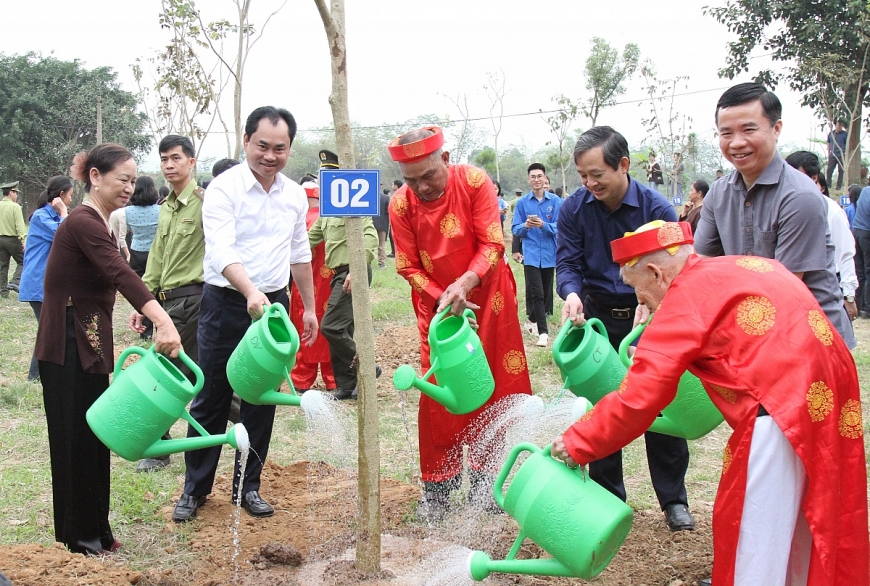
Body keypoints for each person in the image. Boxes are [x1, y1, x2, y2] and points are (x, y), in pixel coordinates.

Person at [552, 220, 869, 586]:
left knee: (753, 529)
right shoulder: (737, 266)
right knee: (806, 515)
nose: (641, 302)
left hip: (779, 410)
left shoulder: (682, 301)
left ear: (656, 273)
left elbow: (638, 399)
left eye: (637, 290)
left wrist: (578, 441)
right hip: (828, 390)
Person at [35, 144, 182, 555]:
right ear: (95, 177)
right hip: (66, 343)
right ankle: (78, 536)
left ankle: (96, 529)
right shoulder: (82, 221)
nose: (130, 188)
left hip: (90, 341)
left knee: (95, 435)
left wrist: (141, 312)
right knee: (74, 440)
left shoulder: (100, 222)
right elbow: (119, 272)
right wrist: (162, 319)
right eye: (123, 179)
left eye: (133, 181)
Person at [173, 106, 318, 523]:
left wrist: (308, 307)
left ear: (289, 148)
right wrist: (249, 291)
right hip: (226, 302)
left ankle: (247, 487)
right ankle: (195, 489)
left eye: (280, 148)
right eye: (262, 146)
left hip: (273, 305)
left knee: (260, 398)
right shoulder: (224, 188)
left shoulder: (294, 194)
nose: (270, 156)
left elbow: (299, 252)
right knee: (212, 396)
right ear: (246, 141)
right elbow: (221, 250)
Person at [387, 126, 533, 521]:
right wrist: (443, 297)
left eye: (428, 176)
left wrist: (465, 283)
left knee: (493, 385)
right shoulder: (400, 205)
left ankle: (487, 484)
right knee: (439, 391)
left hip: (489, 299)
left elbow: (493, 242)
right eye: (410, 180)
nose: (421, 187)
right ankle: (439, 489)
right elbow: (407, 265)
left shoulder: (473, 182)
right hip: (438, 311)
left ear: (446, 160)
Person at [556, 126, 694, 532]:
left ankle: (673, 500)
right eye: (583, 175)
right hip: (596, 319)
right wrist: (571, 293)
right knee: (601, 405)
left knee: (659, 404)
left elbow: (674, 266)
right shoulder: (573, 209)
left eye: (597, 174)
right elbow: (568, 262)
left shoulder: (657, 208)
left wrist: (651, 304)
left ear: (623, 165)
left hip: (648, 319)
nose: (589, 183)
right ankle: (608, 498)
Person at [694, 82, 856, 348]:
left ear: (776, 128)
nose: (737, 143)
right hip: (756, 331)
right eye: (726, 133)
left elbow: (782, 289)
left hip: (812, 339)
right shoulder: (718, 193)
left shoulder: (800, 196)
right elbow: (701, 266)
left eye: (749, 130)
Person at [129, 135, 210, 473]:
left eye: (176, 158)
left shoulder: (205, 203)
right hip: (166, 303)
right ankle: (246, 416)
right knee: (196, 372)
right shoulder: (166, 208)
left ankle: (158, 446)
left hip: (193, 299)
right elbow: (156, 260)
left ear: (191, 162)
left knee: (163, 373)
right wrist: (142, 301)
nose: (169, 165)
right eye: (164, 159)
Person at [308, 179, 378, 400]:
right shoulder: (327, 213)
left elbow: (370, 238)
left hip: (353, 273)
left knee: (331, 327)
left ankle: (368, 366)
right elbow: (308, 239)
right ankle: (347, 385)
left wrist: (357, 269)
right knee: (343, 328)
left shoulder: (356, 206)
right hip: (337, 274)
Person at [785, 150, 858, 321]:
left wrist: (848, 295)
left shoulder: (831, 211)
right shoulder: (784, 208)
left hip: (827, 287)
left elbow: (845, 253)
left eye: (796, 175)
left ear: (814, 178)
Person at [19, 176, 73, 381]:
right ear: (61, 195)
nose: (70, 199)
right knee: (49, 331)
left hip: (46, 282)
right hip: (37, 282)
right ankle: (35, 376)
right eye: (69, 195)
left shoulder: (52, 217)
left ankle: (39, 375)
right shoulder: (41, 217)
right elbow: (65, 236)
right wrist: (64, 213)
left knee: (51, 329)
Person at [289, 180, 336, 395]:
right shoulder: (332, 218)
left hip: (304, 283)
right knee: (330, 325)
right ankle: (332, 378)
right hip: (330, 283)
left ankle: (302, 378)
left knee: (303, 324)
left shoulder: (298, 220)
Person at [512, 163, 562, 347]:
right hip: (531, 255)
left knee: (546, 293)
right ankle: (543, 332)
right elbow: (515, 228)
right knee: (538, 294)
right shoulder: (522, 203)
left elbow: (560, 226)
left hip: (549, 254)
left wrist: (544, 225)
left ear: (545, 178)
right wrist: (526, 226)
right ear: (528, 180)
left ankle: (532, 319)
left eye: (539, 176)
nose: (536, 180)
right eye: (533, 177)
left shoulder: (556, 201)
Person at [0, 181, 26, 297]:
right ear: (11, 193)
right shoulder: (15, 207)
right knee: (24, 261)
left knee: (3, 265)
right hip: (13, 240)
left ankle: (3, 292)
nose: (17, 195)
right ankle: (14, 282)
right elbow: (20, 226)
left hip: (0, 239)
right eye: (16, 193)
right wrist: (23, 241)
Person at [826, 119, 848, 191]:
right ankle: (828, 184)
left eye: (841, 125)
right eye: (838, 125)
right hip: (833, 154)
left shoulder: (845, 134)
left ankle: (838, 186)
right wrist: (829, 153)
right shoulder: (831, 134)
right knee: (829, 170)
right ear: (835, 125)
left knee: (841, 171)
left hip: (841, 155)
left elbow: (847, 144)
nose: (840, 127)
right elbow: (828, 143)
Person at [374, 183, 391, 269]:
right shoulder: (385, 198)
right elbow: (388, 211)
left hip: (370, 223)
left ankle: (366, 261)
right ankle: (382, 263)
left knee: (367, 243)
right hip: (382, 223)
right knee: (382, 244)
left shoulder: (368, 197)